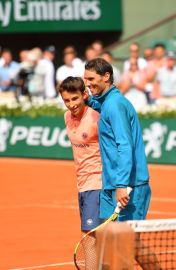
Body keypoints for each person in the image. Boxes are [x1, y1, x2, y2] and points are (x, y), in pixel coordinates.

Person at [84, 58, 154, 268]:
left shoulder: (114, 105)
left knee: (129, 245)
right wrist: (86, 100)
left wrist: (121, 185)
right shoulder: (109, 101)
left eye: (91, 79)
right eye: (85, 79)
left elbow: (125, 146)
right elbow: (101, 105)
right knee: (108, 239)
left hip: (128, 185)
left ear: (106, 77)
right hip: (112, 183)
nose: (88, 83)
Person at [59, 77, 102, 268]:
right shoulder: (66, 117)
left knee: (89, 236)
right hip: (82, 184)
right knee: (98, 237)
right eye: (67, 100)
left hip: (97, 182)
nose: (71, 105)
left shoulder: (96, 118)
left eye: (75, 99)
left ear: (85, 95)